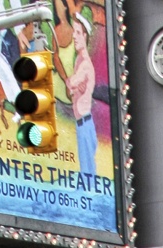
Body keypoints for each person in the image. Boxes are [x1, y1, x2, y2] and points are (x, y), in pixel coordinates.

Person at [68, 7, 98, 176]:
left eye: (77, 32)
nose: (74, 36)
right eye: (74, 32)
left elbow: (72, 83)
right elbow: (71, 89)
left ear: (85, 35)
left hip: (86, 124)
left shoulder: (85, 63)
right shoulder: (78, 60)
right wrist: (72, 86)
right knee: (84, 167)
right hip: (81, 124)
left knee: (88, 171)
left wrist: (71, 83)